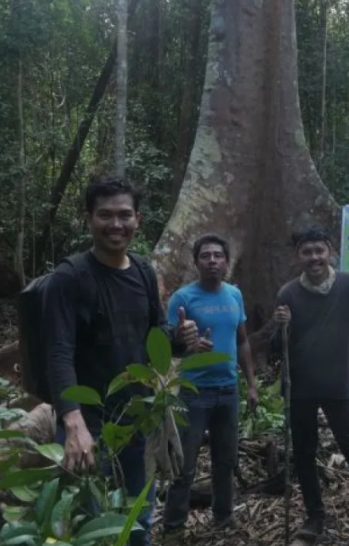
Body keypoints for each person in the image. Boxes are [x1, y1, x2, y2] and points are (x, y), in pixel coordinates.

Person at [46, 174, 196, 546]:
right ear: (88, 219)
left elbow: (154, 333)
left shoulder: (143, 271)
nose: (116, 224)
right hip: (88, 423)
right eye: (105, 215)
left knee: (138, 517)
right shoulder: (70, 277)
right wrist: (74, 422)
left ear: (138, 220)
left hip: (136, 419)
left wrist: (177, 341)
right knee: (90, 523)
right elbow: (58, 351)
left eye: (124, 215)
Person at [271, 225, 349, 544]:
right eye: (307, 252)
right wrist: (281, 326)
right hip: (300, 386)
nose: (314, 258)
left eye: (319, 251)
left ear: (329, 251)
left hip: (338, 383)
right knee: (305, 453)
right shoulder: (288, 293)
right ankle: (315, 516)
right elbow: (276, 346)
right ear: (299, 256)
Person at [163, 234, 259, 538]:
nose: (212, 261)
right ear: (196, 262)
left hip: (228, 390)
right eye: (205, 256)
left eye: (218, 255)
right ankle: (173, 526)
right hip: (193, 393)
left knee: (225, 459)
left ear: (227, 262)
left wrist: (252, 384)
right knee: (184, 464)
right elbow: (170, 344)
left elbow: (242, 341)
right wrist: (188, 344)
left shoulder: (234, 295)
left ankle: (223, 516)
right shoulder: (183, 299)